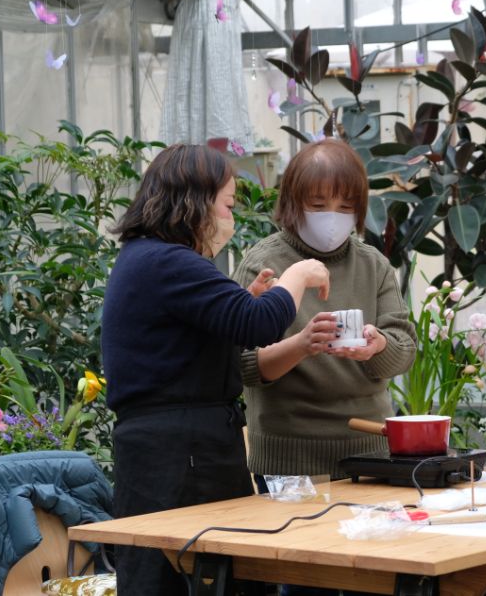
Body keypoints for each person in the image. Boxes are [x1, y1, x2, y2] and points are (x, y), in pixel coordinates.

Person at [102, 144, 330, 596]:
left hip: (167, 445)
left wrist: (244, 297)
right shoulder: (169, 262)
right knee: (203, 576)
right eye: (227, 204)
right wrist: (299, 274)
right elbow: (258, 323)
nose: (231, 215)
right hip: (182, 453)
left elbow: (209, 334)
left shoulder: (146, 259)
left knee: (169, 573)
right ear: (196, 201)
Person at [233, 138, 417, 482]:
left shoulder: (372, 264)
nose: (333, 217)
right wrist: (302, 344)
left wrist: (378, 347)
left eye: (346, 207)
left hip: (369, 448)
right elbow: (239, 365)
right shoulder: (264, 264)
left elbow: (404, 350)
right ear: (291, 203)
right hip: (288, 457)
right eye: (318, 205)